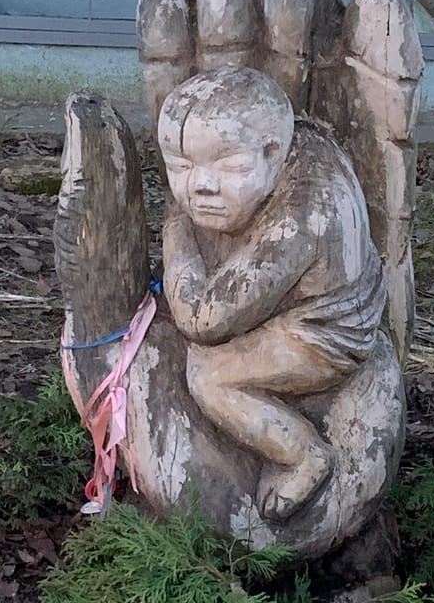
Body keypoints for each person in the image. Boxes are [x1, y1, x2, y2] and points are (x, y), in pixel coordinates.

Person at [158, 66, 386, 521]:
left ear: (272, 150)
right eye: (181, 166)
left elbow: (201, 318)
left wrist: (176, 230)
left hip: (327, 333)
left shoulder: (300, 218)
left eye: (232, 167)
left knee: (207, 375)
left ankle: (303, 455)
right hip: (323, 292)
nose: (199, 185)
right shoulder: (298, 139)